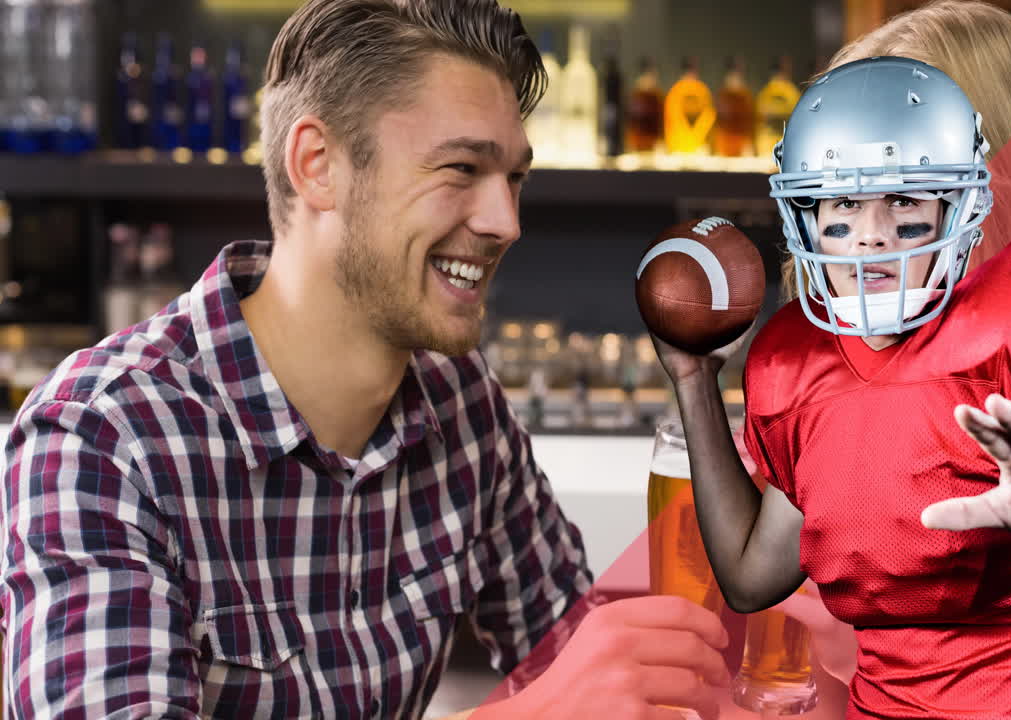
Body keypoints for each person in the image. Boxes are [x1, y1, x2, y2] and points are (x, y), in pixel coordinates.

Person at [1, 2, 731, 718]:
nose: (507, 222)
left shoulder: (460, 400)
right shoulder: (98, 439)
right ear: (318, 166)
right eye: (461, 168)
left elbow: (574, 652)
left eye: (515, 179)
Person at [653, 51, 1011, 720]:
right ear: (804, 214)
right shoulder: (799, 364)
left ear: (960, 207)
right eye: (844, 205)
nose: (870, 238)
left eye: (903, 201)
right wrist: (693, 381)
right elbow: (752, 579)